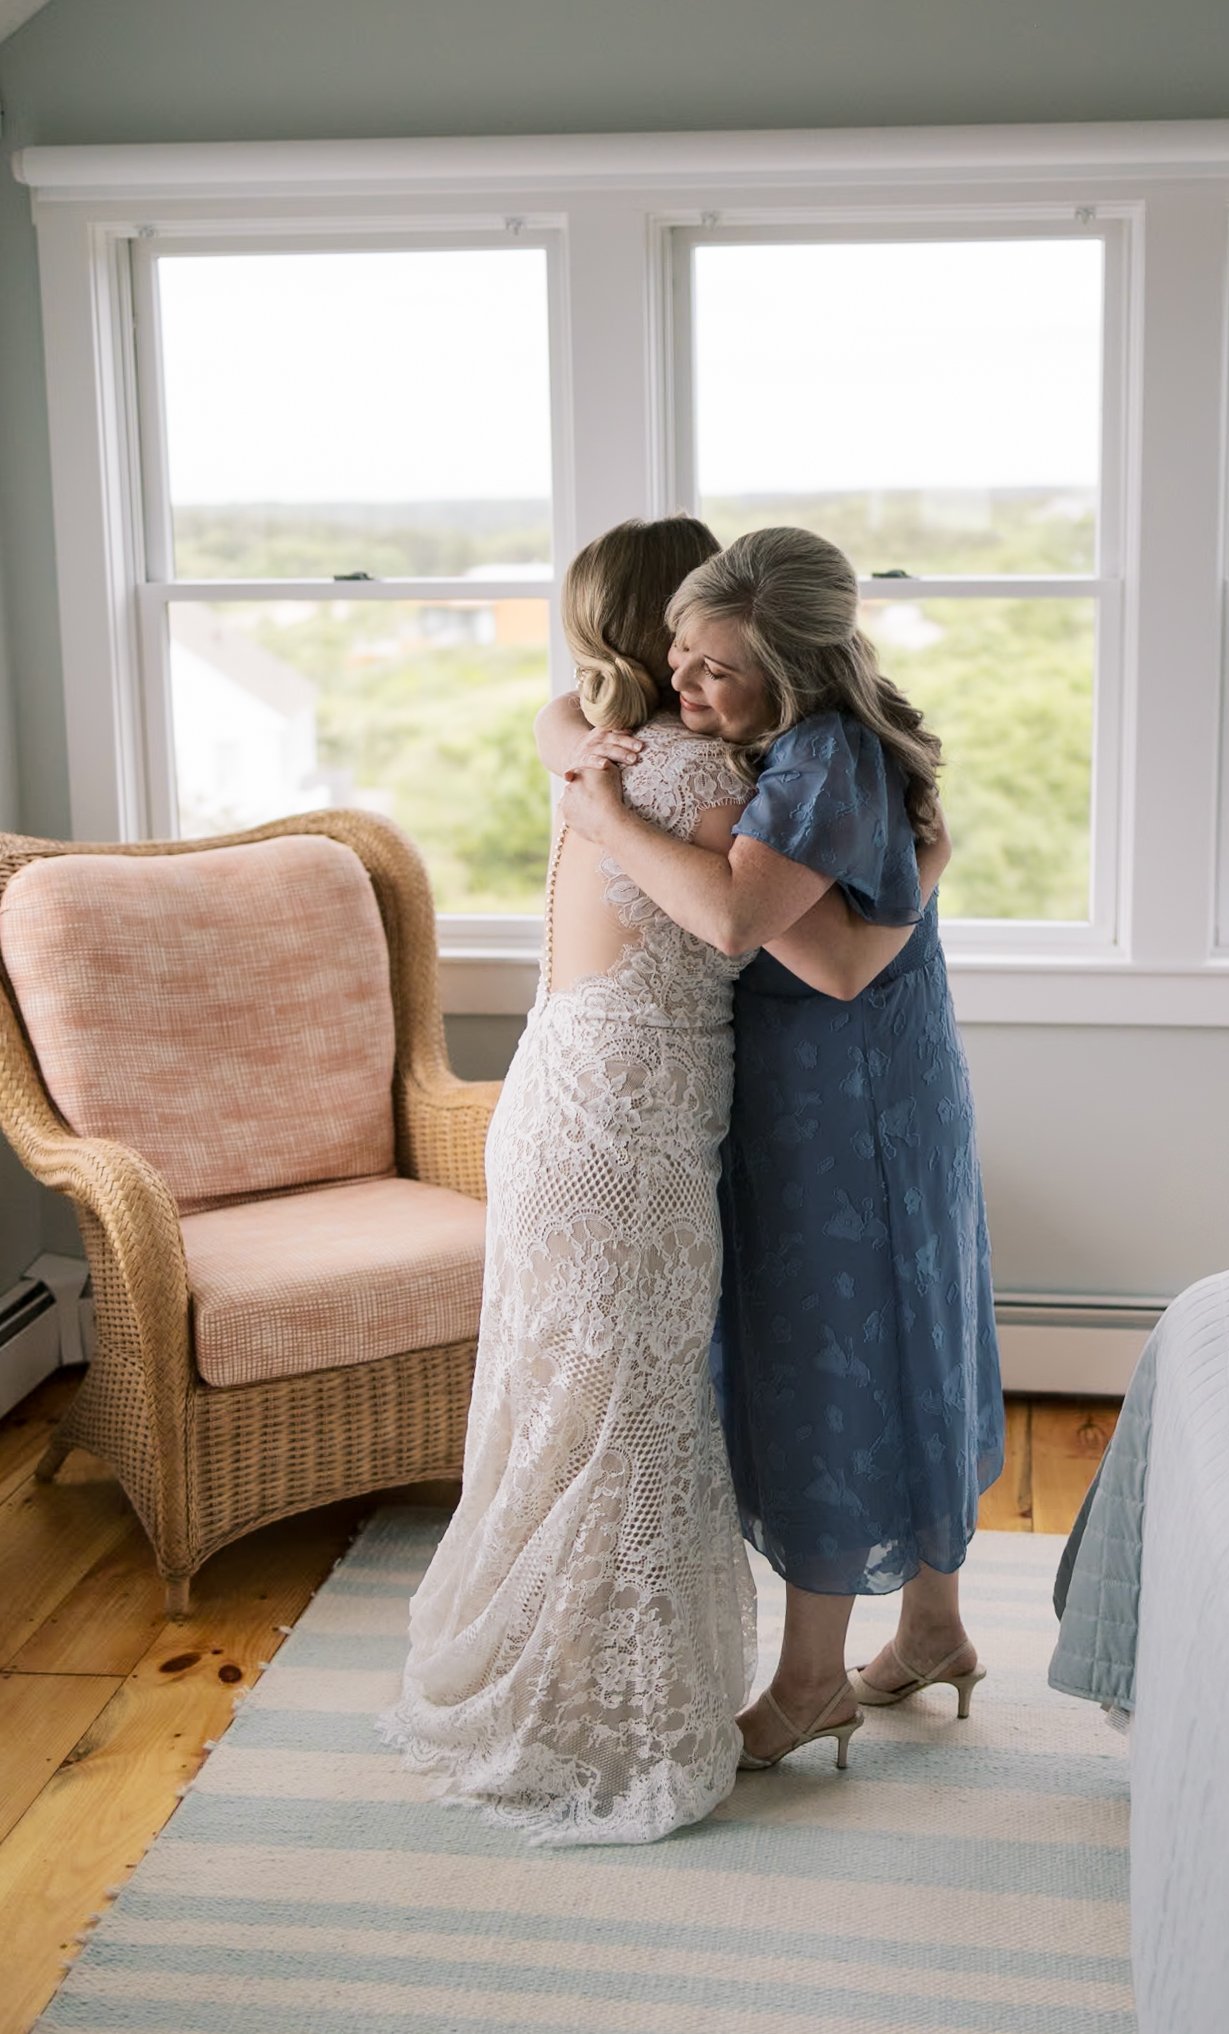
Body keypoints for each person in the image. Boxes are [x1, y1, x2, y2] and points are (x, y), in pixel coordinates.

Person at [378, 518, 928, 1843]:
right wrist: (920, 872)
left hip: (560, 1107)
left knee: (577, 1411)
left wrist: (580, 760)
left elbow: (557, 718)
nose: (699, 657)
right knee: (630, 1422)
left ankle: (572, 1680)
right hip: (623, 1137)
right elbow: (802, 945)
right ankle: (602, 1718)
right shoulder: (703, 785)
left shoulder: (607, 747)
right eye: (688, 635)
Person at [559, 525, 1003, 1770]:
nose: (686, 691)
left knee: (831, 1356)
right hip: (889, 1075)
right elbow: (850, 947)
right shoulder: (816, 739)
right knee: (908, 1327)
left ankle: (812, 1680)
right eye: (680, 659)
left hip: (840, 1099)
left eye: (715, 673)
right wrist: (916, 875)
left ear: (796, 669)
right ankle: (932, 1629)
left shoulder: (815, 758)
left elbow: (735, 920)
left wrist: (603, 814)